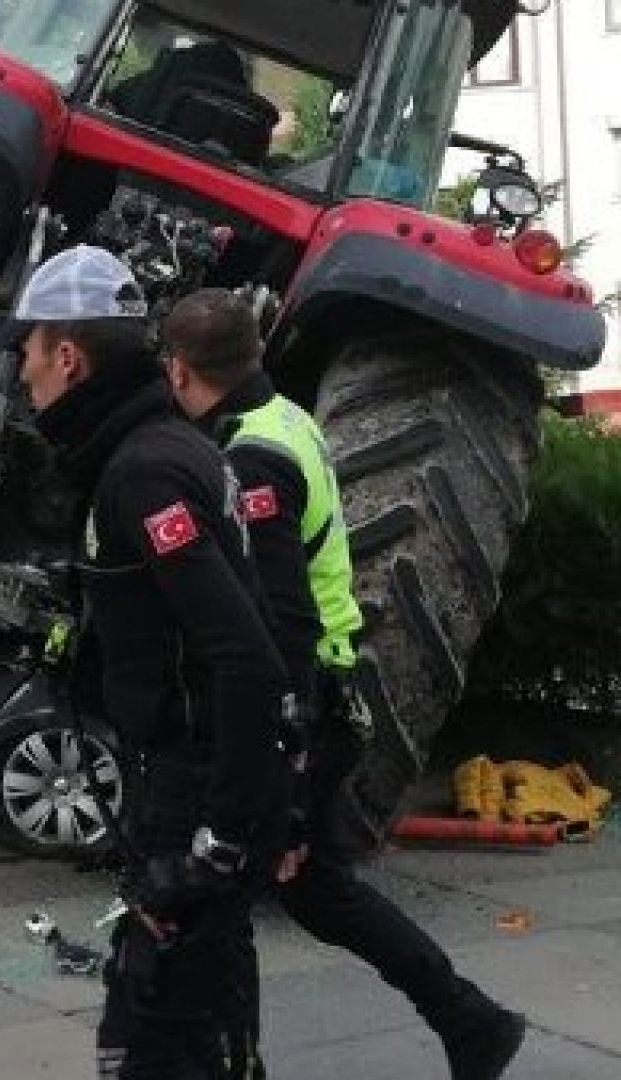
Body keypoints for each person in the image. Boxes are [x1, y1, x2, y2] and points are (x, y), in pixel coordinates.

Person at [160, 289, 529, 1080]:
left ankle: (233, 1060)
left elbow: (282, 618)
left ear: (179, 372)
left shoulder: (253, 457)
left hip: (305, 699)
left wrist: (285, 777)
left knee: (229, 899)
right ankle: (471, 1020)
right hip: (324, 693)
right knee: (317, 892)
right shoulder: (287, 419)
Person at [16, 247, 289, 1079]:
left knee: (154, 1037)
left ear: (69, 356)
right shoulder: (167, 448)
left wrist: (218, 839)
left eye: (29, 349)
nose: (23, 370)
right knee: (186, 1025)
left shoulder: (143, 474)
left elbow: (246, 656)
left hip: (192, 788)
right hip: (182, 779)